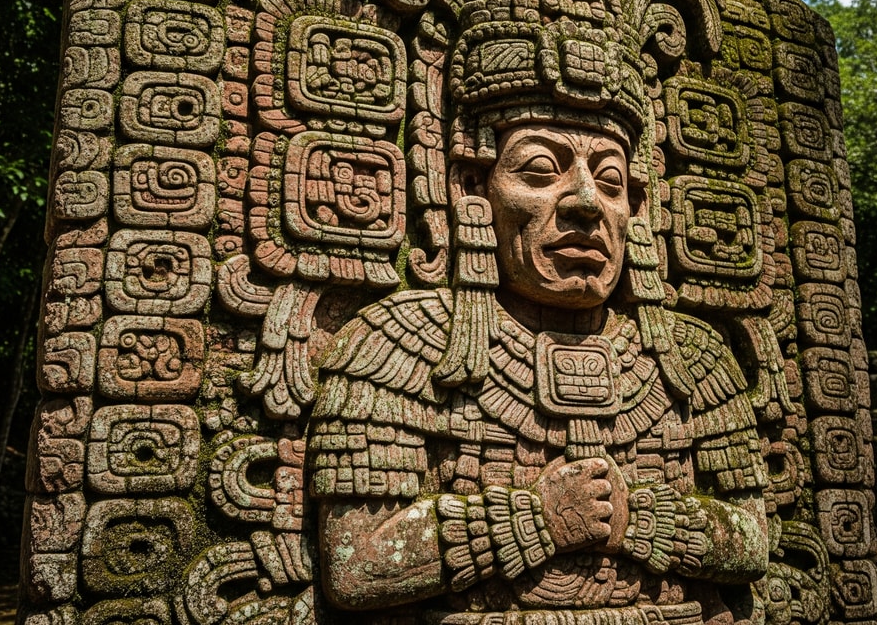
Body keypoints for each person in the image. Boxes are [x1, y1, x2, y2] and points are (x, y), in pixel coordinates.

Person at [308, 111, 769, 625]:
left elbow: (752, 545)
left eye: (610, 180)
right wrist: (535, 517)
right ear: (471, 190)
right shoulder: (402, 339)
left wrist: (635, 518)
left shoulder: (693, 356)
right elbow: (357, 567)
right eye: (540, 170)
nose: (586, 203)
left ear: (634, 209)